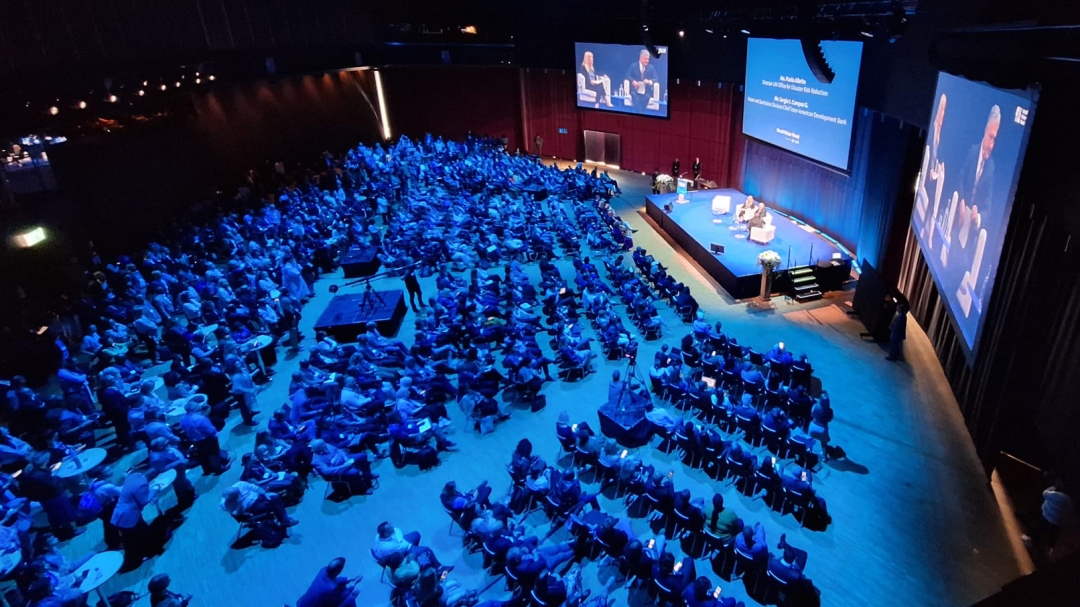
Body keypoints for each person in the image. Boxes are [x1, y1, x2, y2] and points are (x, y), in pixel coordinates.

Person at [959, 104, 1000, 216]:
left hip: (972, 227)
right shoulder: (971, 151)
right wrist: (961, 200)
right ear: (985, 131)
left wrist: (978, 218)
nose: (992, 145)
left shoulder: (991, 168)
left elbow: (988, 208)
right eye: (990, 137)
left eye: (994, 139)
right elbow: (960, 177)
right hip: (957, 215)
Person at [1022, 476, 1074, 558]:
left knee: (1038, 528)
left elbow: (1045, 493)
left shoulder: (1056, 495)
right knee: (1052, 535)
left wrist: (1052, 488)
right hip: (1057, 522)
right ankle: (1049, 548)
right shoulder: (1069, 501)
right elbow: (1070, 511)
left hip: (1046, 516)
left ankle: (1030, 540)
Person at [297, 557, 361, 607]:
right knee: (350, 599)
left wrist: (347, 579)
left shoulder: (323, 571)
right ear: (338, 571)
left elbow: (334, 581)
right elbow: (341, 597)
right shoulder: (331, 589)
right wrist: (353, 585)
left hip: (302, 603)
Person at [624, 49, 659, 114]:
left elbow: (656, 78)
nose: (647, 61)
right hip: (635, 90)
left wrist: (649, 81)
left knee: (647, 97)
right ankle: (640, 114)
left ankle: (638, 114)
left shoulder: (651, 67)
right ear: (641, 58)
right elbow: (627, 75)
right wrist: (633, 81)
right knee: (634, 96)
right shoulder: (633, 66)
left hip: (646, 92)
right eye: (646, 59)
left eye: (648, 59)